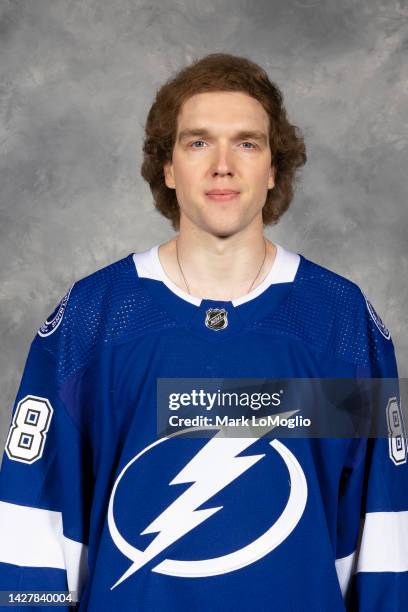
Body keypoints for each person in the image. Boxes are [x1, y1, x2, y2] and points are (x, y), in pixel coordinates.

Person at [0, 53, 406, 611]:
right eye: (197, 143)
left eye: (247, 143)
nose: (222, 165)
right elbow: (33, 521)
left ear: (273, 168)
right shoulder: (94, 315)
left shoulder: (337, 320)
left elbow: (382, 529)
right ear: (167, 167)